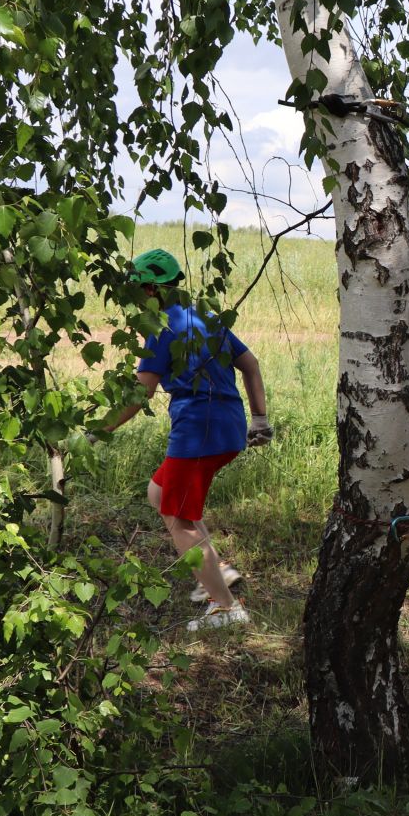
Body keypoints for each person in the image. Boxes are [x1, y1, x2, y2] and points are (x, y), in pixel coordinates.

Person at [105, 249, 273, 631]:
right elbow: (250, 363)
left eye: (136, 290)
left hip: (199, 431)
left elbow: (140, 393)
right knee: (160, 493)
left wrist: (99, 430)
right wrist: (259, 418)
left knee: (179, 519)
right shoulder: (208, 318)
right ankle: (216, 571)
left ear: (153, 288)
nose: (133, 298)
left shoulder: (161, 328)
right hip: (227, 427)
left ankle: (226, 609)